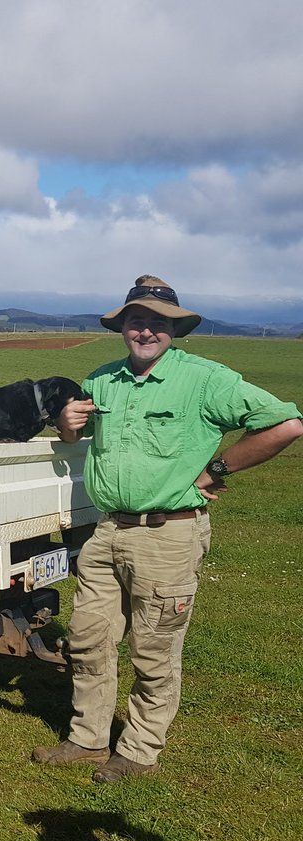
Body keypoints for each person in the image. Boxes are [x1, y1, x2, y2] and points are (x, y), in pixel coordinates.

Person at [33, 275, 302, 782]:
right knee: (88, 639)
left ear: (175, 329)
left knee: (154, 650)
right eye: (138, 321)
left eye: (159, 323)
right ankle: (87, 740)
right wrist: (67, 422)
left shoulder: (205, 379)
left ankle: (138, 750)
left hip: (167, 534)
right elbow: (76, 432)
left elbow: (286, 423)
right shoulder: (101, 380)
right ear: (123, 328)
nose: (147, 331)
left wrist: (218, 470)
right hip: (106, 531)